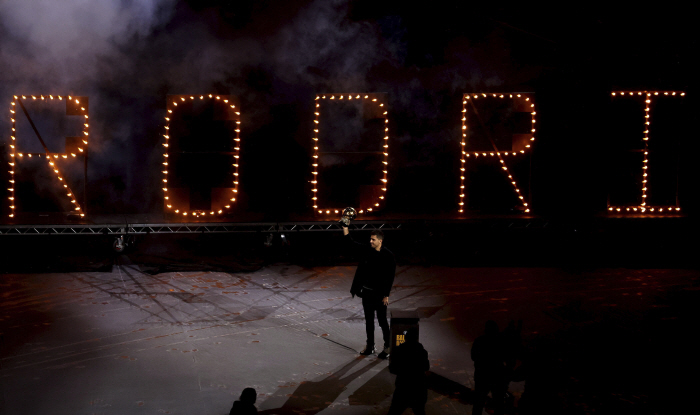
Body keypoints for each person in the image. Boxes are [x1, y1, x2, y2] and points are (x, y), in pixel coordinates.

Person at [342, 225, 396, 357]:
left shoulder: (388, 256)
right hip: (367, 293)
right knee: (369, 321)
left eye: (373, 240)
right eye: (370, 239)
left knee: (382, 321)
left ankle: (388, 347)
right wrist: (345, 227)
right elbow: (351, 243)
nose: (370, 241)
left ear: (380, 240)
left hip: (380, 295)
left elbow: (390, 277)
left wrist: (386, 295)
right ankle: (370, 346)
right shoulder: (367, 250)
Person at [387, 327, 430, 415]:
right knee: (419, 410)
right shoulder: (423, 352)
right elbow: (426, 367)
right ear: (417, 338)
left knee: (395, 410)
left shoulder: (398, 350)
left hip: (403, 386)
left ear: (406, 338)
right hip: (419, 386)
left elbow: (392, 369)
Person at [471, 320, 506, 415]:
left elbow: (473, 357)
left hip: (481, 375)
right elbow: (505, 357)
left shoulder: (479, 340)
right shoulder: (500, 342)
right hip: (496, 376)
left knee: (478, 402)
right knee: (498, 402)